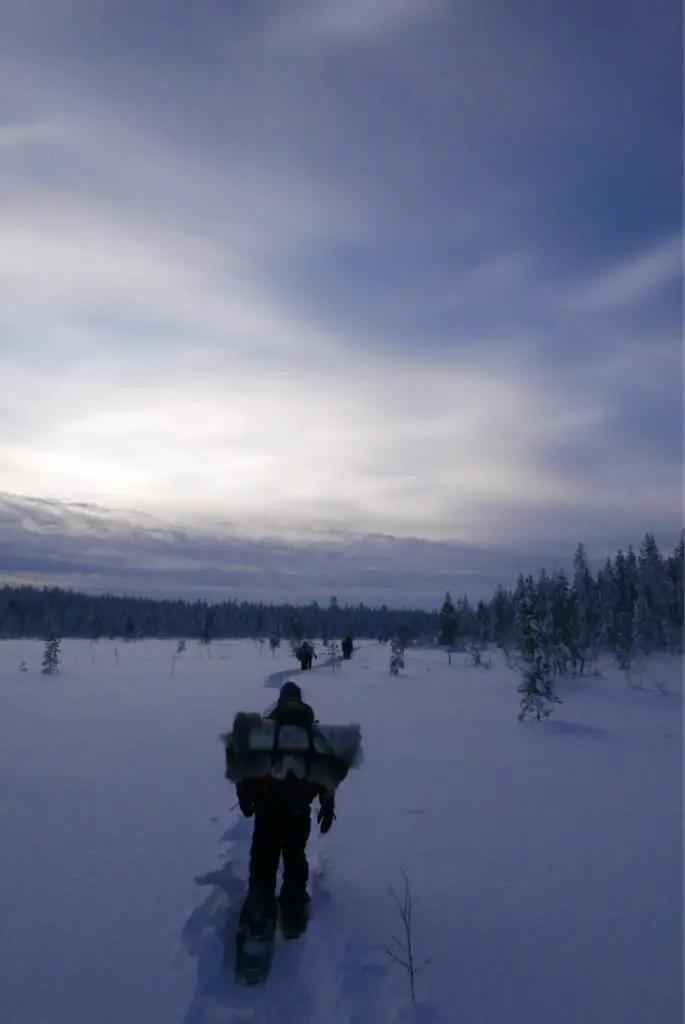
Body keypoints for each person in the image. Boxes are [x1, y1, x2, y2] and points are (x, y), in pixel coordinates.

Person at [236, 681, 335, 937]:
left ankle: (259, 907)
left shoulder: (267, 729)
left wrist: (245, 794)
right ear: (300, 701)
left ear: (280, 700)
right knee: (294, 855)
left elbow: (247, 764)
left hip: (267, 804)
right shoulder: (313, 733)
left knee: (264, 855)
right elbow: (325, 772)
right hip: (299, 808)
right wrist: (327, 802)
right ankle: (293, 910)